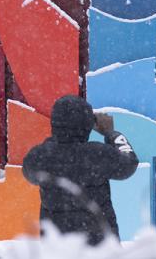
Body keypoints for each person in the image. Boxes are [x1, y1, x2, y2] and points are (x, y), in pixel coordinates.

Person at [22, 95, 139, 245]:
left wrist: (55, 142)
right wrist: (111, 133)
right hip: (100, 250)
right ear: (88, 125)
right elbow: (129, 164)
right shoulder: (98, 154)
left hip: (57, 251)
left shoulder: (40, 157)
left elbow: (28, 172)